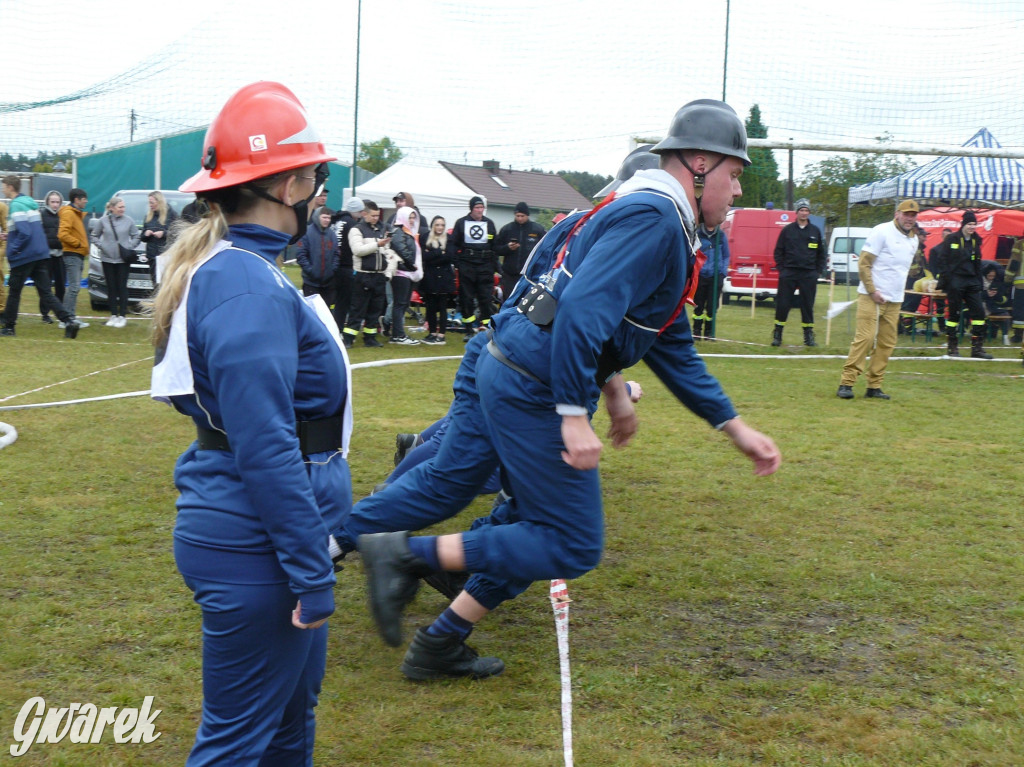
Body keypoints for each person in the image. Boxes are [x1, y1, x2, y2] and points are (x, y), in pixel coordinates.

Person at [352, 99, 781, 680]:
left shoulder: (661, 221)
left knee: (531, 520)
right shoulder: (654, 218)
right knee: (571, 541)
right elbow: (580, 312)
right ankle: (401, 554)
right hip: (534, 383)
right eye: (735, 175)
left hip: (523, 372)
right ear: (700, 164)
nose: (736, 193)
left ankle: (440, 640)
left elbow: (672, 345)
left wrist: (735, 427)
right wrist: (573, 413)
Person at [149, 81, 349, 766]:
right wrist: (309, 571)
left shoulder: (248, 270)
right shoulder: (242, 282)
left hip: (272, 540)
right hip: (256, 547)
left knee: (289, 727)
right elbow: (265, 445)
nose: (323, 189)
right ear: (290, 184)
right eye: (317, 175)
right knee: (236, 745)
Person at [836, 200, 921, 400]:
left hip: (895, 299)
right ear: (897, 213)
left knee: (886, 343)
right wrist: (873, 290)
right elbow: (864, 264)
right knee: (865, 338)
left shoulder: (913, 239)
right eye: (906, 214)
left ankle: (874, 386)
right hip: (870, 296)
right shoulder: (881, 231)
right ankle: (846, 383)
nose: (910, 218)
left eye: (913, 215)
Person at [0, 175, 80, 338]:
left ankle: (9, 327)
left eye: (3, 186)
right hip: (40, 253)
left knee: (14, 292)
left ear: (9, 187)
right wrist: (10, 236)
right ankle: (69, 321)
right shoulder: (30, 203)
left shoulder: (15, 205)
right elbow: (30, 229)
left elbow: (25, 232)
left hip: (24, 256)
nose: (2, 189)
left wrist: (13, 249)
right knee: (46, 293)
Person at [930, 211, 991, 359]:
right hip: (955, 281)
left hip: (971, 281)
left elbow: (977, 262)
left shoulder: (977, 240)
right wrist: (948, 279)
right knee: (954, 314)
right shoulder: (952, 239)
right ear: (963, 224)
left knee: (979, 313)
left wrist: (979, 281)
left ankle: (977, 348)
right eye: (969, 224)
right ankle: (952, 347)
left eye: (974, 224)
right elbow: (942, 260)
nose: (972, 227)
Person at [771, 198, 824, 347]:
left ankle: (808, 337)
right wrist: (782, 270)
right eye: (801, 210)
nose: (804, 213)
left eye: (806, 210)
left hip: (808, 274)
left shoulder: (815, 231)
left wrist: (817, 272)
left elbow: (821, 253)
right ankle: (777, 335)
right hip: (789, 273)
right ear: (797, 212)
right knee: (783, 304)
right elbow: (778, 251)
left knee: (807, 305)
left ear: (809, 213)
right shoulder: (787, 230)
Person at [343, 200, 391, 348]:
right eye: (373, 215)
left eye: (378, 215)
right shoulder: (356, 230)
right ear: (365, 214)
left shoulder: (381, 229)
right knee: (358, 308)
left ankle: (370, 338)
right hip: (363, 275)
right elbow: (357, 250)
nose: (376, 218)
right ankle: (349, 338)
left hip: (379, 276)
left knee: (375, 310)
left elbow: (388, 253)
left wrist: (388, 273)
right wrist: (377, 244)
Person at [451, 195, 498, 339]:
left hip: (485, 265)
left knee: (485, 298)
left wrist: (496, 266)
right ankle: (469, 329)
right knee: (467, 298)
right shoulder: (461, 223)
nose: (479, 210)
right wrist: (458, 263)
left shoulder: (489, 224)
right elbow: (453, 244)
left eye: (481, 207)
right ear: (471, 209)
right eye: (477, 208)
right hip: (467, 265)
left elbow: (494, 245)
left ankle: (485, 328)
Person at [91, 195, 140, 327]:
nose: (122, 209)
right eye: (120, 207)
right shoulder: (103, 221)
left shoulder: (128, 221)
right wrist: (102, 246)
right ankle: (113, 315)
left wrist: (129, 247)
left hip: (122, 260)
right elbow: (94, 236)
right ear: (112, 208)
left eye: (123, 207)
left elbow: (136, 236)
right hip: (107, 259)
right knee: (111, 287)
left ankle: (122, 315)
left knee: (122, 286)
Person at [494, 202, 546, 302]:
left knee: (526, 302)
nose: (520, 218)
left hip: (529, 275)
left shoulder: (537, 230)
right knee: (509, 301)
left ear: (527, 215)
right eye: (517, 216)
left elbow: (545, 249)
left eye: (522, 216)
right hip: (510, 275)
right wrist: (508, 248)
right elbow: (496, 249)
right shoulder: (507, 229)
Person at [388, 206, 423, 345]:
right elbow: (401, 249)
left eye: (414, 217)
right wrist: (411, 265)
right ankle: (398, 335)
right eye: (410, 217)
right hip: (401, 272)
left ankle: (397, 334)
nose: (413, 220)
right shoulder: (399, 232)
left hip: (407, 272)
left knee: (402, 304)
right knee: (400, 304)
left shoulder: (409, 233)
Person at [57, 188, 91, 329]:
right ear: (77, 200)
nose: (86, 201)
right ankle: (66, 319)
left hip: (78, 254)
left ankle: (71, 317)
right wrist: (77, 244)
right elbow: (62, 234)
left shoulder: (76, 214)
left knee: (75, 288)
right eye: (84, 199)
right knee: (74, 287)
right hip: (72, 254)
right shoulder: (69, 213)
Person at [420, 215, 456, 344]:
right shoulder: (425, 237)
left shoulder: (450, 239)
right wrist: (439, 252)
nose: (440, 227)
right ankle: (432, 333)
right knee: (430, 307)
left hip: (444, 277)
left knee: (442, 306)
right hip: (430, 276)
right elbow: (424, 256)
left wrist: (433, 254)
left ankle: (441, 335)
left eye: (442, 225)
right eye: (437, 224)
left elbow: (450, 257)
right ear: (432, 226)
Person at [295, 207, 340, 310]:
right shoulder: (307, 233)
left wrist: (332, 270)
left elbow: (336, 254)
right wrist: (311, 271)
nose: (327, 220)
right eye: (324, 217)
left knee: (326, 311)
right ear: (317, 217)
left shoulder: (332, 235)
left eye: (328, 218)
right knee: (312, 311)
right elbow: (301, 255)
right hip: (311, 282)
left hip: (328, 283)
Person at [692, 223, 730, 339]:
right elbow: (692, 253)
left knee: (712, 307)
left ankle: (709, 332)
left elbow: (726, 255)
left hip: (716, 276)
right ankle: (696, 331)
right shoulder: (697, 234)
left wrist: (722, 273)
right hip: (701, 275)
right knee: (698, 305)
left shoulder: (721, 235)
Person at [332, 197, 364, 329]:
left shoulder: (335, 221)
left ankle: (331, 326)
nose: (362, 214)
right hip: (346, 267)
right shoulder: (351, 224)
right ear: (355, 211)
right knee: (343, 302)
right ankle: (338, 328)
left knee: (331, 300)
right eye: (361, 211)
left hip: (332, 266)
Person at [140, 190, 179, 289]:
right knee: (155, 284)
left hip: (165, 255)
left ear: (159, 202)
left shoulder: (171, 214)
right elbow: (142, 238)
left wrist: (164, 234)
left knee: (165, 285)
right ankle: (157, 303)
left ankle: (165, 304)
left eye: (152, 202)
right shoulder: (148, 216)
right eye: (149, 202)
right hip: (152, 255)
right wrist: (146, 234)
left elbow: (178, 232)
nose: (150, 205)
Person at [39, 191, 66, 323]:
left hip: (60, 255)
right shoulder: (42, 215)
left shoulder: (63, 215)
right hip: (47, 256)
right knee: (46, 285)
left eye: (57, 202)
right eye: (53, 202)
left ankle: (59, 312)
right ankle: (45, 314)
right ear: (47, 202)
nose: (55, 204)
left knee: (61, 285)